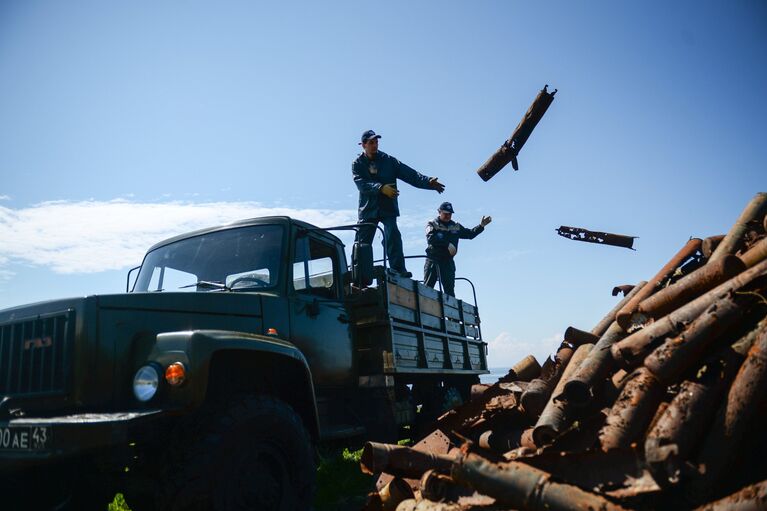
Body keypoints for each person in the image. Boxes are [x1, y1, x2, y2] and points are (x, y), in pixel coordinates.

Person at [352, 129, 445, 277]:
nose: (375, 145)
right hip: (368, 209)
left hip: (387, 208)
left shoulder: (389, 160)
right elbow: (361, 184)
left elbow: (410, 175)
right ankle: (358, 276)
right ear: (363, 145)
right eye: (371, 142)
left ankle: (399, 269)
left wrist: (428, 182)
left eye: (376, 142)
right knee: (361, 243)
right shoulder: (357, 163)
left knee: (392, 234)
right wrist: (381, 188)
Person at [423, 202, 491, 296]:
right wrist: (446, 244)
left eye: (450, 214)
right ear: (439, 212)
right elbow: (431, 238)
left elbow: (469, 234)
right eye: (445, 213)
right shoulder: (432, 224)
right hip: (433, 260)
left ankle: (449, 310)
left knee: (449, 291)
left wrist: (481, 226)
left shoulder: (455, 226)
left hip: (447, 261)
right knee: (427, 289)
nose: (448, 216)